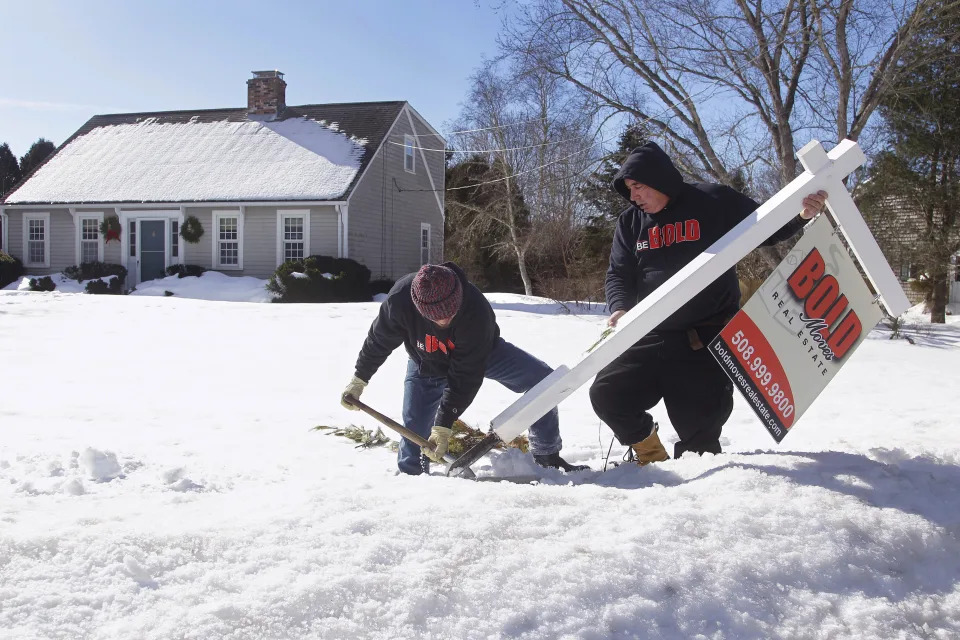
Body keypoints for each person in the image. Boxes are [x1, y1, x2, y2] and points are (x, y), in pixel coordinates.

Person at [589, 141, 828, 465]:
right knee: (608, 394)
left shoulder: (713, 201)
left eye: (639, 187)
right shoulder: (631, 223)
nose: (634, 197)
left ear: (659, 179)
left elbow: (766, 227)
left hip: (703, 339)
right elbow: (618, 273)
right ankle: (649, 453)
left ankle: (697, 499)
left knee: (700, 438)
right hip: (651, 334)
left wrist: (802, 215)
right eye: (630, 189)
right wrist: (619, 307)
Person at [341, 262, 588, 475]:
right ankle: (413, 478)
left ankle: (547, 455)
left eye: (448, 315)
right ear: (418, 306)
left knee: (543, 382)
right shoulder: (399, 301)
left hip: (483, 355)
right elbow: (378, 341)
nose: (443, 322)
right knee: (414, 430)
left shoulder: (476, 310)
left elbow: (465, 377)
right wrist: (359, 379)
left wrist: (444, 424)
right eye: (435, 318)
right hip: (425, 363)